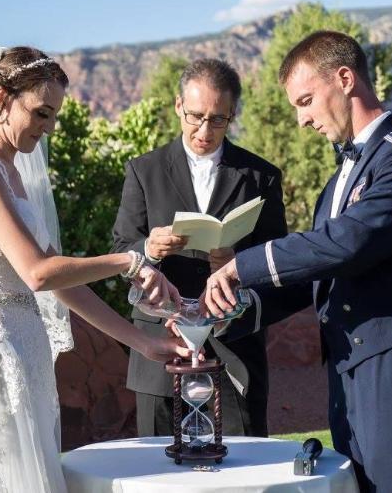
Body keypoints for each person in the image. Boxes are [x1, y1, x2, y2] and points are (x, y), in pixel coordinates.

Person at [203, 31, 392, 492]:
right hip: (349, 378)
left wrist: (241, 265)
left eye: (306, 101)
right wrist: (230, 309)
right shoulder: (335, 184)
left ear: (345, 79)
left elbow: (344, 243)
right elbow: (316, 276)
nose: (302, 119)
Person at [0, 46, 192, 493]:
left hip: (26, 348)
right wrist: (132, 260)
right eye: (41, 113)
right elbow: (37, 273)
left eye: (53, 116)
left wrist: (143, 342)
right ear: (2, 98)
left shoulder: (14, 177)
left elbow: (65, 286)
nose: (49, 127)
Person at [112, 58, 295, 438]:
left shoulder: (261, 176)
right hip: (162, 345)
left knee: (244, 464)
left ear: (232, 115)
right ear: (178, 105)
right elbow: (121, 248)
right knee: (158, 466)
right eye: (195, 116)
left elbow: (276, 260)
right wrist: (150, 249)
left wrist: (240, 263)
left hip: (235, 347)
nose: (204, 131)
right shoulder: (143, 170)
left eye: (217, 119)